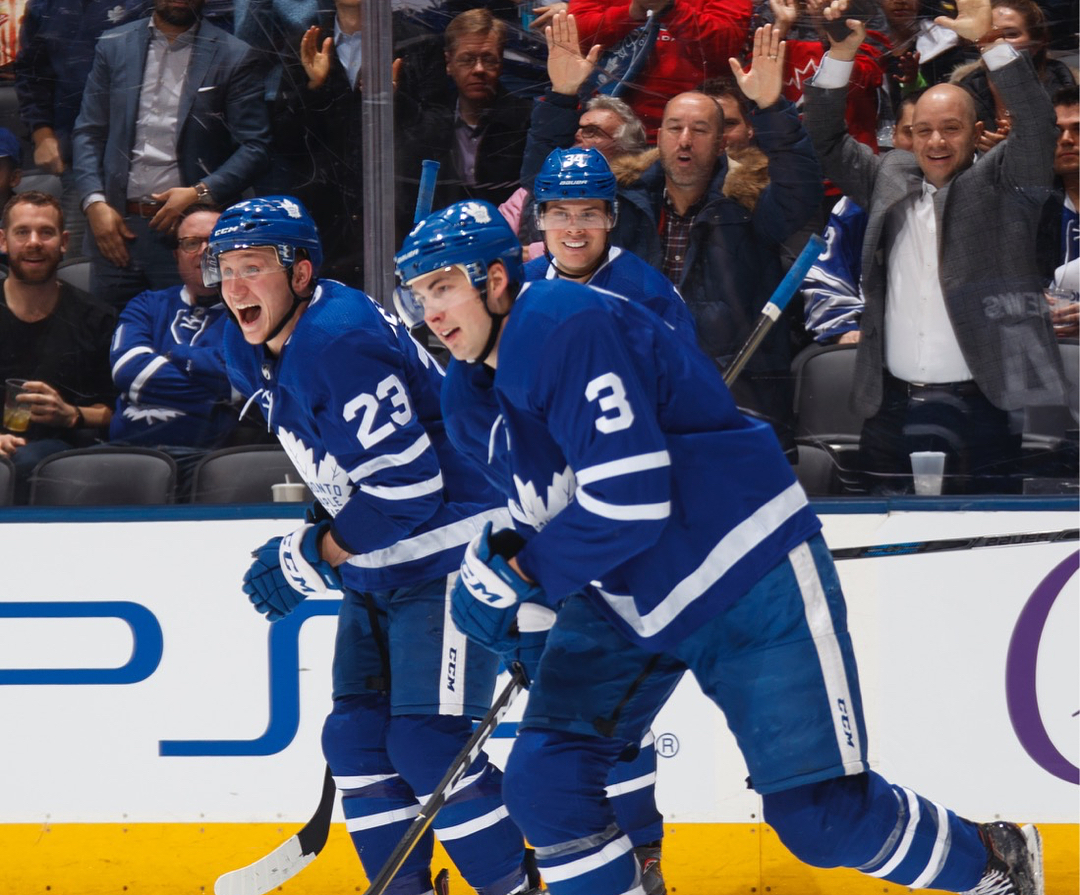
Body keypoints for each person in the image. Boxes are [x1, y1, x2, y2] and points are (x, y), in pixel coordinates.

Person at [395, 198, 1046, 895]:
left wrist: (524, 572)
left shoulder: (561, 323)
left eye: (444, 287)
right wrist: (506, 576)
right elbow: (545, 510)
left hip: (741, 571)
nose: (432, 312)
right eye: (420, 295)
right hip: (626, 597)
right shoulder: (467, 396)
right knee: (543, 784)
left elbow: (629, 497)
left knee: (820, 818)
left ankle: (994, 861)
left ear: (495, 280)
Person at [208, 196, 539, 895]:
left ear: (300, 273)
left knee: (428, 742)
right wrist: (326, 528)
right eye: (226, 269)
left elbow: (410, 487)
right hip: (380, 557)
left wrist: (317, 552)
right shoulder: (248, 343)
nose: (236, 287)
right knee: (355, 740)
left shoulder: (337, 340)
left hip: (450, 549)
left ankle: (519, 885)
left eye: (253, 267)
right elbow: (336, 454)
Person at [802, 0, 1068, 494]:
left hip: (987, 406)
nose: (936, 142)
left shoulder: (1008, 184)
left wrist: (990, 43)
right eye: (922, 131)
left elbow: (1037, 123)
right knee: (883, 529)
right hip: (890, 406)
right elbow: (825, 138)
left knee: (986, 536)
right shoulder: (888, 176)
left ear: (976, 132)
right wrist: (840, 55)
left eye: (951, 128)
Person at [607, 25, 824, 454]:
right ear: (658, 136)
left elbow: (801, 190)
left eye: (701, 129)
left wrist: (771, 107)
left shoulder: (750, 205)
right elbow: (548, 197)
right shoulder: (624, 204)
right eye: (675, 128)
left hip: (736, 401)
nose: (685, 140)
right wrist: (561, 98)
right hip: (642, 397)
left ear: (723, 142)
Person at [72, 0, 271, 309]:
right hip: (115, 227)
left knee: (192, 333)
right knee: (109, 335)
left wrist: (199, 193)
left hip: (191, 232)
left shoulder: (234, 54)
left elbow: (255, 146)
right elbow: (88, 132)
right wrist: (93, 203)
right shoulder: (114, 44)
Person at [107, 206, 244, 496]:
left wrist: (178, 354)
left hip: (204, 459)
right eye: (191, 243)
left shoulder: (250, 311)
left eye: (215, 241)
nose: (204, 251)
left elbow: (239, 383)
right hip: (125, 452)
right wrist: (212, 394)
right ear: (176, 255)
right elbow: (128, 370)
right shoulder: (147, 304)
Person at [0, 191, 116, 504]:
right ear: (3, 241)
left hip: (60, 456)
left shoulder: (97, 318)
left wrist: (70, 414)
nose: (34, 242)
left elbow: (114, 412)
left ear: (64, 242)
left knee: (27, 462)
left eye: (46, 232)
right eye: (22, 232)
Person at [14, 0, 152, 260]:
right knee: (75, 263)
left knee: (155, 260)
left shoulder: (145, 3)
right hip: (79, 154)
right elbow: (31, 71)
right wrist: (41, 133)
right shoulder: (44, 5)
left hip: (146, 154)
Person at [524, 146, 695, 341]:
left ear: (610, 218)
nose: (574, 230)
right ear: (540, 218)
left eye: (588, 215)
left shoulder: (652, 296)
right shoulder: (520, 285)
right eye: (560, 215)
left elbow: (685, 359)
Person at [801, 91, 922, 346]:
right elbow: (825, 278)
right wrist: (845, 329)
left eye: (947, 129)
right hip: (880, 345)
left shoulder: (982, 198)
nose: (926, 143)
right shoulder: (857, 205)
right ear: (894, 136)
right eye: (911, 132)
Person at [398, 8, 533, 213]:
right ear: (449, 63)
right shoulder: (430, 125)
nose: (479, 69)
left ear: (501, 63)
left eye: (488, 59)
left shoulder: (526, 122)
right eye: (467, 59)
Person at [568, 0, 752, 136]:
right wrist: (632, 12)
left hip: (696, 130)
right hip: (609, 129)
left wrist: (671, 10)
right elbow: (575, 34)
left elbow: (727, 44)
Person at [1038, 87, 1079, 337]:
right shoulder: (1029, 208)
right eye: (1056, 131)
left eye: (1078, 129)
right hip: (1050, 347)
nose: (1065, 139)